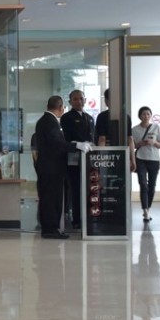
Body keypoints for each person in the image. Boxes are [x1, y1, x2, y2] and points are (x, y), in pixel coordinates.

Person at [36, 96, 91, 239]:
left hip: (50, 167)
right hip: (51, 168)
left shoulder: (47, 121)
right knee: (51, 198)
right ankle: (50, 229)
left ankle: (51, 228)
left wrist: (70, 143)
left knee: (51, 197)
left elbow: (56, 141)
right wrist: (76, 145)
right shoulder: (49, 122)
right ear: (61, 108)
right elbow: (56, 144)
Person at [60, 89, 96, 230]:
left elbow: (93, 137)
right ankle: (76, 220)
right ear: (70, 102)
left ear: (85, 100)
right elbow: (68, 138)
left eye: (81, 98)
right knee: (75, 189)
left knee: (89, 188)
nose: (78, 101)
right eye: (75, 99)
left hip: (89, 159)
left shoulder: (90, 118)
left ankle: (88, 217)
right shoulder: (67, 117)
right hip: (73, 159)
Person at [131, 106, 160, 222]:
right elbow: (133, 146)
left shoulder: (156, 127)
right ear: (139, 116)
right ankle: (145, 210)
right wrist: (140, 143)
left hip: (154, 160)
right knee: (143, 184)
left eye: (148, 114)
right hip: (140, 159)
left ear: (151, 116)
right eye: (143, 114)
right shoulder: (134, 129)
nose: (146, 116)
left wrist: (154, 142)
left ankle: (148, 207)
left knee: (152, 186)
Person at [95, 88, 137, 174]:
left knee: (107, 182)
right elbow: (130, 139)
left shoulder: (102, 116)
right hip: (123, 155)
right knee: (121, 182)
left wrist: (101, 160)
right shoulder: (126, 116)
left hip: (107, 155)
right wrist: (133, 160)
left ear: (106, 101)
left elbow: (102, 139)